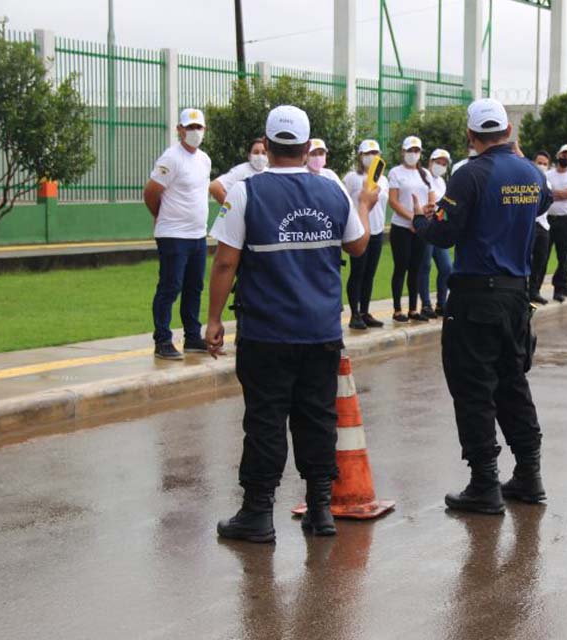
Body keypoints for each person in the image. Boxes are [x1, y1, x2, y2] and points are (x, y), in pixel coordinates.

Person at [207, 105, 377, 542]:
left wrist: (213, 320)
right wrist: (363, 204)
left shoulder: (245, 193)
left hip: (266, 332)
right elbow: (358, 245)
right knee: (318, 417)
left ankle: (258, 514)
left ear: (267, 145)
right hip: (321, 331)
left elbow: (225, 262)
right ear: (306, 147)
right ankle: (321, 510)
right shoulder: (333, 191)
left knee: (265, 420)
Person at [411, 97, 552, 514]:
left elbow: (443, 233)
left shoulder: (470, 174)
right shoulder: (532, 172)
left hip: (476, 296)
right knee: (512, 383)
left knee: (473, 388)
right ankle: (529, 473)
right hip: (515, 296)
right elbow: (542, 203)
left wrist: (422, 220)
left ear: (471, 136)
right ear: (509, 131)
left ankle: (484, 483)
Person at [143, 108, 212, 360]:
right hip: (173, 234)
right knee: (170, 287)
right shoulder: (171, 158)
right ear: (180, 130)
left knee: (194, 287)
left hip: (198, 235)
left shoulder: (204, 159)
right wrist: (161, 215)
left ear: (204, 130)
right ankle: (162, 339)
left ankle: (192, 336)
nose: (194, 132)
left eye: (198, 127)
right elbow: (151, 192)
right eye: (189, 127)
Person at [387, 135, 435, 323]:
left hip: (420, 228)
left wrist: (425, 215)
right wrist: (413, 218)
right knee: (401, 267)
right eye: (410, 150)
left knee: (416, 268)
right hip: (402, 227)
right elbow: (393, 201)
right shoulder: (396, 172)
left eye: (416, 150)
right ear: (403, 152)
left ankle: (413, 308)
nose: (413, 154)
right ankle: (397, 309)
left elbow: (431, 198)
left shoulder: (425, 174)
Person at [344, 139, 389, 330]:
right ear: (360, 156)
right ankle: (354, 313)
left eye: (375, 153)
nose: (371, 157)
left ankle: (364, 311)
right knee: (358, 272)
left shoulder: (383, 180)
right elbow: (345, 202)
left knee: (369, 273)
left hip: (377, 230)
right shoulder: (352, 178)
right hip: (359, 231)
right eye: (367, 154)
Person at [418, 148, 454, 318]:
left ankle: (441, 302)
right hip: (427, 226)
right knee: (425, 266)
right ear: (430, 162)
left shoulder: (441, 182)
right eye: (438, 162)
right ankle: (426, 304)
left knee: (446, 267)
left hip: (438, 227)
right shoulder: (424, 176)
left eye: (444, 163)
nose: (440, 166)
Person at [545, 144, 567, 302]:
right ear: (558, 154)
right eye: (563, 154)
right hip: (548, 219)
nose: (565, 158)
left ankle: (559, 289)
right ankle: (534, 289)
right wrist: (562, 194)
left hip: (565, 220)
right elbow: (544, 193)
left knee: (564, 256)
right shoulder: (548, 175)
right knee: (542, 256)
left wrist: (554, 193)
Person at [209, 138, 268, 205]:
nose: (260, 156)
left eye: (264, 153)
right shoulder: (241, 171)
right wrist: (231, 207)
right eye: (256, 152)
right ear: (249, 156)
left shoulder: (269, 172)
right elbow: (214, 187)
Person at [528, 151, 553, 305]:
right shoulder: (527, 179)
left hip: (543, 225)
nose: (542, 166)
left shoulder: (547, 183)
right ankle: (523, 291)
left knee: (541, 259)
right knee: (526, 259)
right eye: (539, 163)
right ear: (533, 163)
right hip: (529, 224)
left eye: (545, 164)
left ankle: (535, 290)